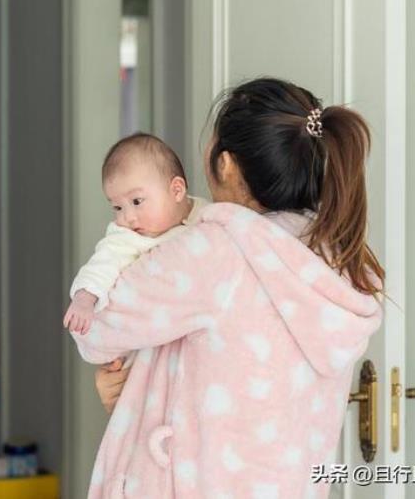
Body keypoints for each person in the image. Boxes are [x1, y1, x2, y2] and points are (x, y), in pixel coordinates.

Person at [69, 77, 385, 498]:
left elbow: (94, 332)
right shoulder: (337, 260)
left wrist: (127, 387)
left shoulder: (214, 253)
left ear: (227, 165)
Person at [63, 132, 208, 360]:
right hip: (146, 346)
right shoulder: (126, 237)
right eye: (117, 207)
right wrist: (84, 299)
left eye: (136, 202)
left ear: (177, 190)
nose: (128, 217)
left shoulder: (206, 215)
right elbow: (102, 265)